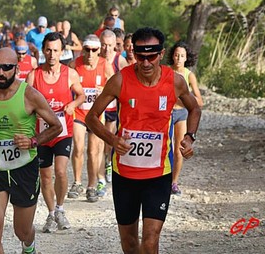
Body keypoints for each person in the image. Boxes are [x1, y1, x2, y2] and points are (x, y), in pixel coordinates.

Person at [85, 27, 201, 254]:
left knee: (150, 241)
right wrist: (112, 138)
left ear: (161, 53)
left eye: (151, 56)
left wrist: (189, 137)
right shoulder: (119, 80)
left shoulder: (175, 81)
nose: (146, 63)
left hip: (158, 175)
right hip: (125, 174)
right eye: (140, 56)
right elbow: (91, 117)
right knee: (129, 244)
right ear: (133, 53)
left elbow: (194, 108)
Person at [0, 48, 62, 254]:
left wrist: (33, 141)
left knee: (22, 231)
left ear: (16, 69)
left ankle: (29, 246)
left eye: (7, 68)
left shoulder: (30, 95)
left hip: (24, 169)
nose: (1, 72)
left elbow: (56, 126)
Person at [26, 32, 85, 233]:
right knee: (45, 176)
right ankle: (51, 213)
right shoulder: (34, 75)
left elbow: (82, 95)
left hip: (62, 130)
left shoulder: (70, 74)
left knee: (60, 171)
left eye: (56, 50)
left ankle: (60, 208)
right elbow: (25, 103)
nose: (52, 54)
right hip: (42, 134)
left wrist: (72, 104)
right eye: (49, 50)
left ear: (62, 52)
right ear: (43, 51)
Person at [68, 34, 114, 202]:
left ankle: (92, 186)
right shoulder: (75, 65)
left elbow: (116, 88)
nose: (90, 53)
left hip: (96, 114)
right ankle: (77, 182)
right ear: (83, 50)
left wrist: (104, 92)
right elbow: (65, 85)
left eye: (94, 50)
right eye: (87, 50)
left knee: (93, 151)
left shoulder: (106, 66)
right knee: (79, 147)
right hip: (79, 113)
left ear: (99, 50)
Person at [168, 40, 204, 196]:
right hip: (167, 113)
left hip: (182, 114)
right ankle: (162, 180)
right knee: (165, 147)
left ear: (186, 58)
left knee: (178, 149)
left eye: (182, 56)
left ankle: (174, 182)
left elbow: (199, 101)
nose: (178, 58)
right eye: (176, 55)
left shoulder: (189, 75)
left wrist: (182, 100)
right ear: (172, 56)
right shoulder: (166, 72)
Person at [97, 30, 127, 197]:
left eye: (109, 45)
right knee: (97, 143)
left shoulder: (119, 61)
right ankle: (100, 178)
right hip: (97, 107)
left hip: (113, 107)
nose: (106, 48)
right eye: (103, 45)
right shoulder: (95, 57)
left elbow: (128, 84)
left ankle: (108, 161)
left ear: (115, 45)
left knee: (108, 139)